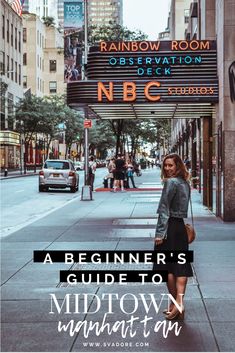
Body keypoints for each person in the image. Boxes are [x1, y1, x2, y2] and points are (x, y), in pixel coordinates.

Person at [154, 153, 193, 320]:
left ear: (178, 166)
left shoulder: (170, 183)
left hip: (169, 227)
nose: (167, 168)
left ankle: (177, 303)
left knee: (168, 268)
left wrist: (159, 234)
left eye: (171, 165)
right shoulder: (185, 183)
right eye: (166, 165)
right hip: (180, 228)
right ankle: (177, 303)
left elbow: (164, 210)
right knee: (181, 264)